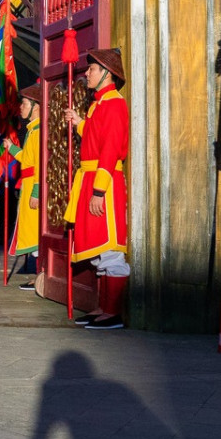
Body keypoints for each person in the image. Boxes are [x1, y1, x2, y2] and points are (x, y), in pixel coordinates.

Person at [61, 47, 131, 331]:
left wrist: (99, 191)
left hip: (104, 182)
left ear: (106, 73)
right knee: (99, 250)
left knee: (111, 250)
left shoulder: (114, 104)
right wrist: (80, 123)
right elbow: (94, 137)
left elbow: (111, 149)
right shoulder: (98, 105)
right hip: (90, 179)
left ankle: (112, 313)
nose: (86, 73)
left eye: (91, 69)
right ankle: (103, 308)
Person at [10, 79, 45, 288]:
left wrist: (36, 192)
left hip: (34, 186)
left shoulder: (39, 131)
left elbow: (39, 164)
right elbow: (28, 158)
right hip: (29, 184)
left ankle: (43, 275)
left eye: (24, 103)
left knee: (35, 233)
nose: (21, 107)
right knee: (30, 231)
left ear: (36, 107)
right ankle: (40, 274)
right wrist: (12, 149)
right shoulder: (32, 130)